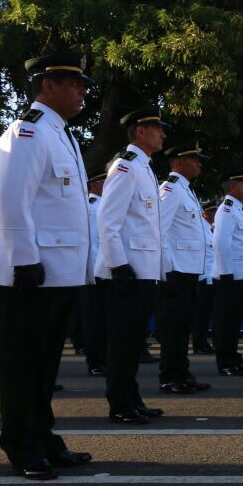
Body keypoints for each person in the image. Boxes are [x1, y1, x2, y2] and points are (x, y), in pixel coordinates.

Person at [0, 52, 93, 478]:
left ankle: (44, 437)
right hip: (27, 276)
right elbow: (11, 200)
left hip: (58, 274)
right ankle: (22, 445)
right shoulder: (26, 131)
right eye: (74, 84)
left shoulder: (60, 134)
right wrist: (25, 261)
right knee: (22, 367)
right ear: (48, 84)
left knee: (44, 366)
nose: (82, 91)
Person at [97, 107, 167, 424]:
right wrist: (118, 265)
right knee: (123, 341)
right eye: (157, 128)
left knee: (134, 341)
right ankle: (120, 403)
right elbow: (107, 220)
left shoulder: (144, 169)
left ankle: (132, 397)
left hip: (144, 270)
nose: (163, 134)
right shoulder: (125, 167)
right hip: (129, 271)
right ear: (140, 131)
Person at [156, 142, 211, 394]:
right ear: (177, 163)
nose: (199, 163)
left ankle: (182, 371)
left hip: (189, 270)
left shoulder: (186, 191)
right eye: (194, 159)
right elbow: (159, 230)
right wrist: (168, 269)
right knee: (173, 327)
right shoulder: (170, 189)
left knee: (183, 326)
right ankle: (170, 376)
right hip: (176, 271)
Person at [212, 173, 243, 376]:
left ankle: (234, 359)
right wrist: (226, 272)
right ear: (231, 188)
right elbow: (221, 242)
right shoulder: (226, 209)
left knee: (234, 321)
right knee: (225, 321)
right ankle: (225, 362)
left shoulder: (238, 209)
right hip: (230, 276)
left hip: (241, 274)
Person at [80, 171, 108, 376]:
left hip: (104, 269)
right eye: (105, 181)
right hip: (95, 271)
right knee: (95, 319)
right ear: (95, 184)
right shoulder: (91, 206)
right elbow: (90, 243)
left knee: (103, 319)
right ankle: (95, 361)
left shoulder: (102, 204)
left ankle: (102, 357)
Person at [192, 203, 217, 355]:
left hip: (210, 278)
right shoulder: (200, 228)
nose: (215, 215)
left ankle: (203, 342)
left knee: (206, 313)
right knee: (200, 314)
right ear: (205, 213)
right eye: (213, 212)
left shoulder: (210, 229)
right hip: (201, 278)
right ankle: (198, 343)